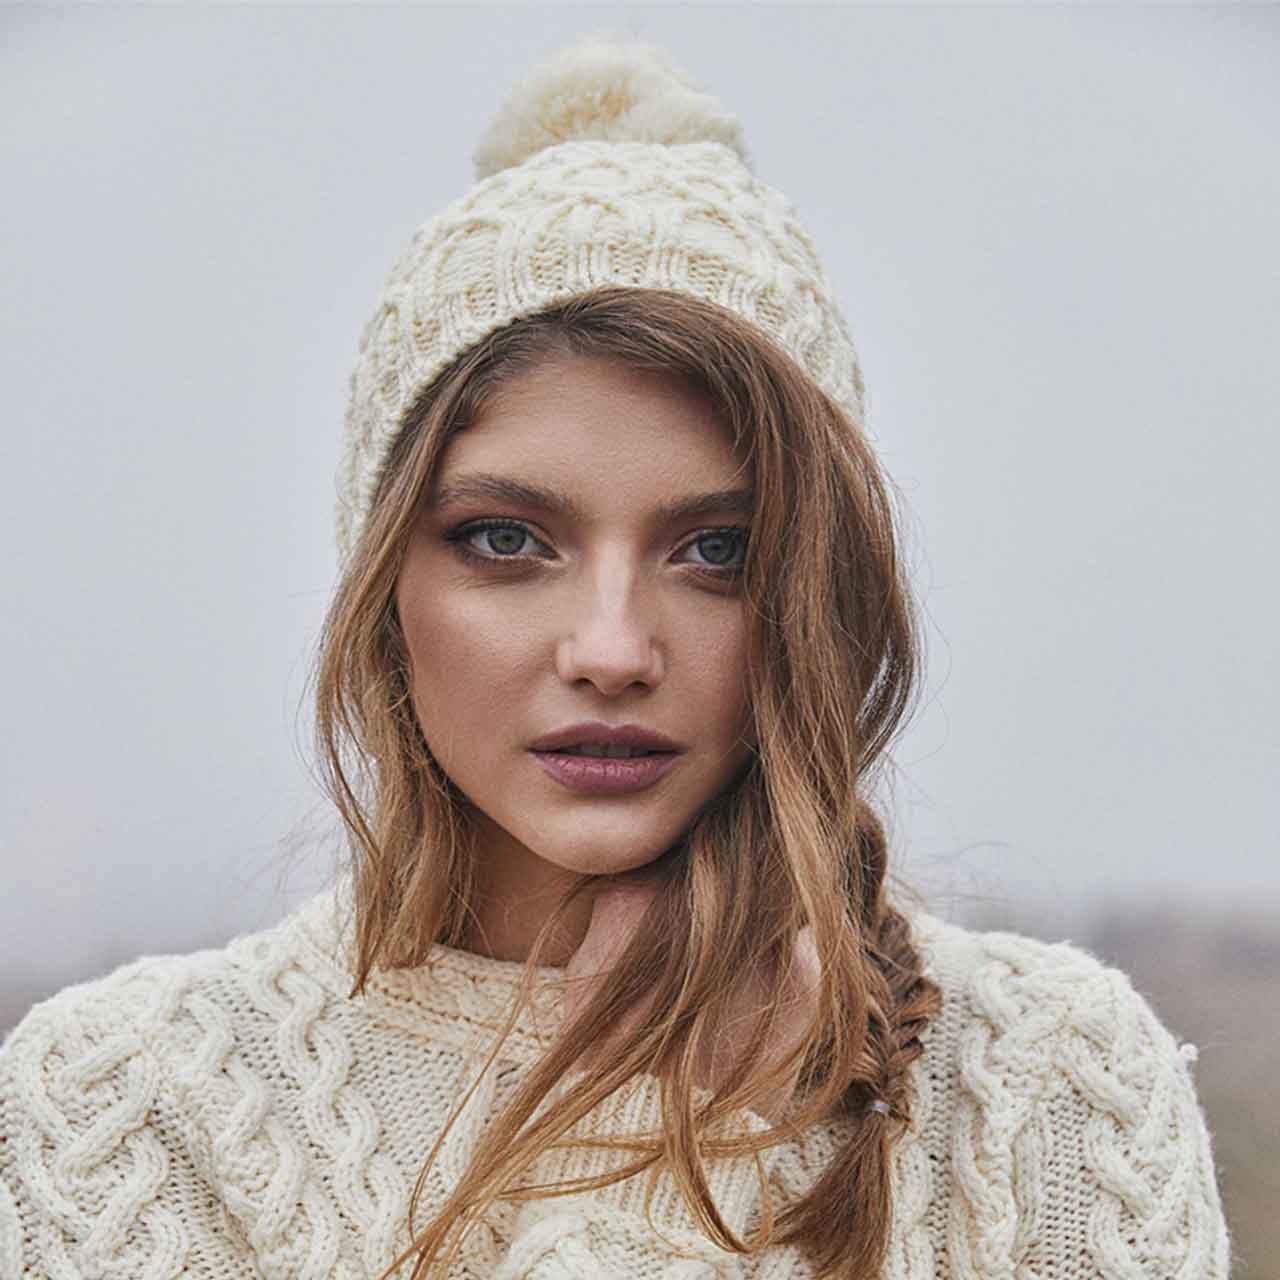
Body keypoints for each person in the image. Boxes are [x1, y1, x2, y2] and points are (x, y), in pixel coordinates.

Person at [0, 36, 1230, 1280]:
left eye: (716, 549)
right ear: (383, 582)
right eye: (504, 538)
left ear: (816, 588)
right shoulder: (129, 1101)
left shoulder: (1048, 1075)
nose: (610, 650)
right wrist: (658, 1152)